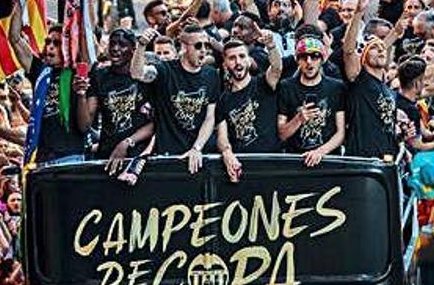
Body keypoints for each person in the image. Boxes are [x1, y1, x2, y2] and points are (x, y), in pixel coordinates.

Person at [131, 25, 220, 174]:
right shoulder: (165, 70)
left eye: (206, 45)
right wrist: (141, 46)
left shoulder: (211, 75)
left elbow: (209, 118)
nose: (203, 50)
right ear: (184, 47)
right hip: (168, 155)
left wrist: (197, 148)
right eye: (198, 45)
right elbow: (137, 74)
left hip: (199, 155)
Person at [8, 1, 84, 164]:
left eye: (56, 44)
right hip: (42, 158)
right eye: (47, 42)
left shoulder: (79, 72)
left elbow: (87, 39)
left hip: (71, 158)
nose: (49, 47)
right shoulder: (40, 72)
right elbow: (14, 38)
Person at [76, 29, 154, 174]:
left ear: (133, 49)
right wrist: (81, 95)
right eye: (112, 44)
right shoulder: (99, 76)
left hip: (138, 160)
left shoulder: (144, 76)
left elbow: (155, 122)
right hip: (107, 157)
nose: (115, 49)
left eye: (122, 45)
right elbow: (85, 126)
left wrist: (127, 143)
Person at [342, 0, 405, 159]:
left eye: (383, 48)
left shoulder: (387, 88)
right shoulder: (359, 79)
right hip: (363, 159)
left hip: (387, 159)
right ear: (363, 55)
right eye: (375, 48)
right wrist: (358, 13)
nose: (382, 50)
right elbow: (348, 50)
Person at [216, 33, 282, 181]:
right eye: (232, 58)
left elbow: (276, 68)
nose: (238, 62)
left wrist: (271, 46)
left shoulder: (263, 83)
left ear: (248, 60)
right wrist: (227, 154)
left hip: (272, 164)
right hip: (243, 167)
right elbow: (222, 137)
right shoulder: (223, 100)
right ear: (225, 64)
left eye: (241, 56)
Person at [277, 36, 346, 166]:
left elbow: (341, 132)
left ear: (322, 59)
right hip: (296, 161)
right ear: (297, 60)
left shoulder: (336, 87)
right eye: (303, 57)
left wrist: (319, 152)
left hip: (328, 160)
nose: (309, 62)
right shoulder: (286, 87)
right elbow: (281, 134)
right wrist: (298, 119)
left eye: (314, 56)